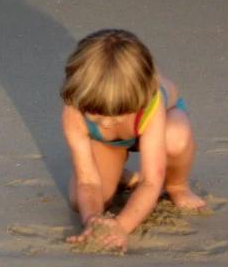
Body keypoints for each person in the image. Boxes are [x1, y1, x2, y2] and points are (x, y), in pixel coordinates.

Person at [60, 28, 205, 252]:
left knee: (176, 139)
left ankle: (178, 186)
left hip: (160, 125)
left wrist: (121, 226)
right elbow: (87, 181)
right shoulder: (74, 113)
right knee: (80, 202)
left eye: (117, 113)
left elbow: (150, 182)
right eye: (95, 114)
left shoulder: (150, 101)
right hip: (109, 143)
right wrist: (93, 220)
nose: (107, 123)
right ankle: (121, 175)